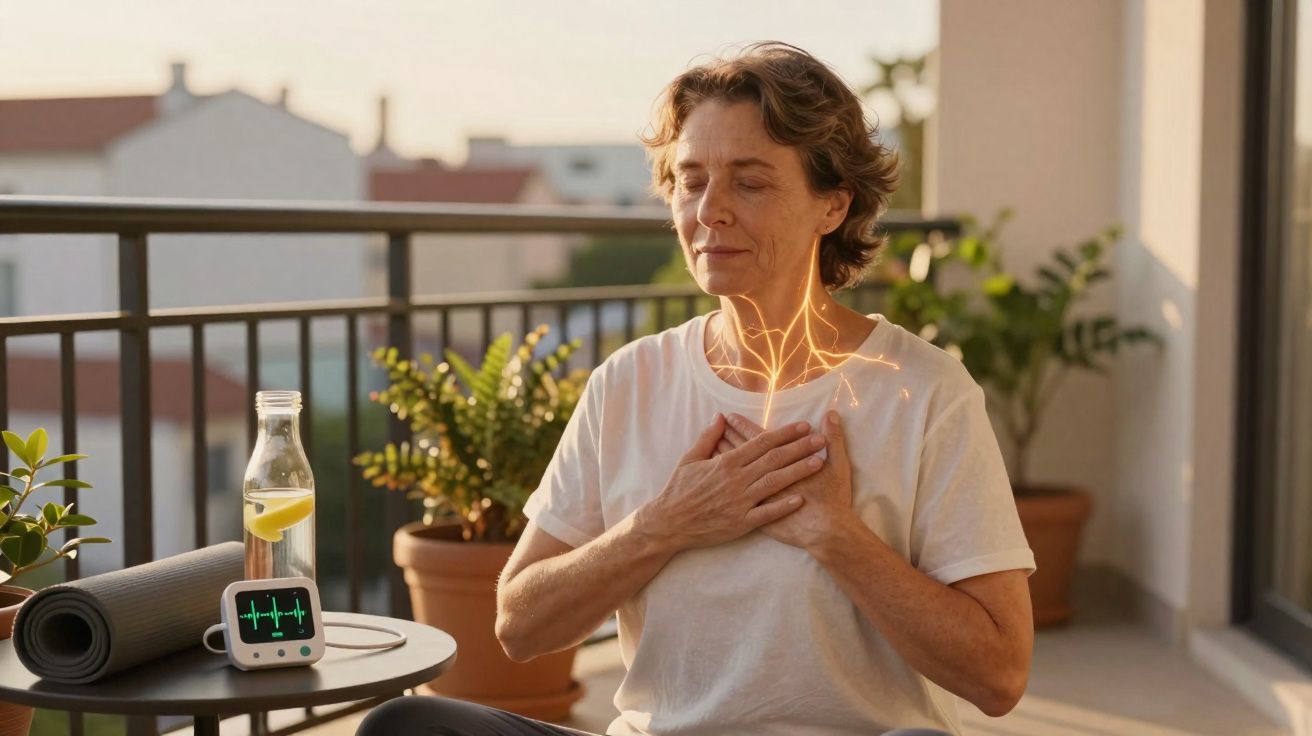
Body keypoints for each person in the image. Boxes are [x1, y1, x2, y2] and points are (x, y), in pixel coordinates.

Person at [357, 42, 1035, 736]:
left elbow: (999, 674)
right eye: (691, 180)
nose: (710, 211)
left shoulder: (924, 392)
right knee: (405, 728)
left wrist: (837, 536)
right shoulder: (629, 381)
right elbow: (519, 623)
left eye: (750, 182)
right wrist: (665, 524)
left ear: (832, 205)